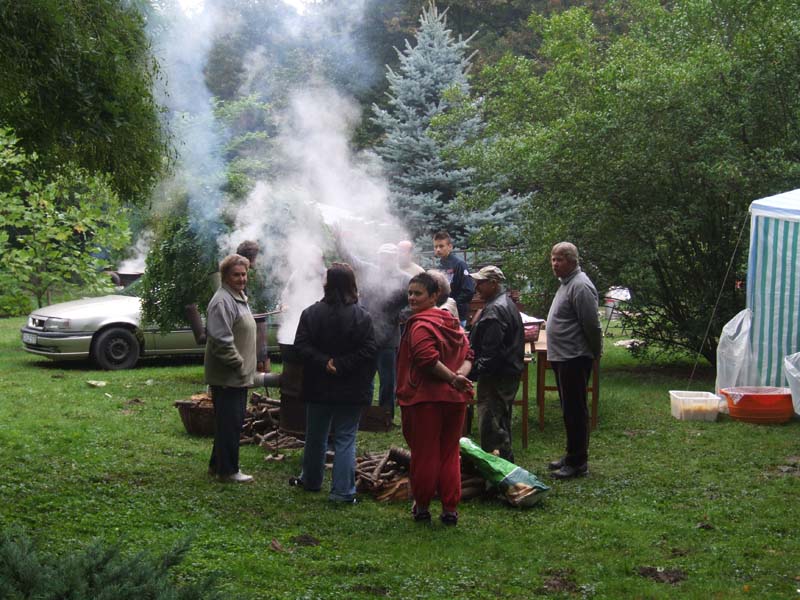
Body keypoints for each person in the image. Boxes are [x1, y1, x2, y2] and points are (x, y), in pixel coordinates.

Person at [292, 263, 377, 503]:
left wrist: (325, 362)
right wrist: (342, 364)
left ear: (327, 284)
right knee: (345, 438)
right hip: (351, 388)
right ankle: (342, 492)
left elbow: (301, 346)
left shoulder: (310, 313)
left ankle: (311, 480)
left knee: (315, 436)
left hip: (318, 386)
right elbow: (370, 349)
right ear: (352, 284)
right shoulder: (362, 316)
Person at [397, 272, 473, 525]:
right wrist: (459, 378)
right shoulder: (452, 322)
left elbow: (426, 359)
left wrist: (452, 379)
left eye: (418, 293)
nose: (412, 298)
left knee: (425, 453)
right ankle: (450, 509)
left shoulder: (420, 325)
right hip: (454, 399)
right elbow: (469, 355)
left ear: (434, 296)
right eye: (410, 293)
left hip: (425, 400)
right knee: (449, 452)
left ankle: (422, 507)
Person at [334, 233, 409, 419]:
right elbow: (350, 259)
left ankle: (386, 414)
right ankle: (364, 412)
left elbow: (414, 303)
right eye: (382, 256)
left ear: (394, 258)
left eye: (388, 257)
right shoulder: (370, 271)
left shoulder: (405, 279)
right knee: (364, 376)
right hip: (366, 334)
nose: (384, 260)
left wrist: (402, 316)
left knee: (388, 380)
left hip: (389, 337)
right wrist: (339, 240)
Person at [546, 242, 603, 480]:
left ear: (572, 261)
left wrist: (596, 352)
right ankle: (571, 455)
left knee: (576, 411)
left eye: (559, 259)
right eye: (552, 259)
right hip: (563, 356)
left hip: (574, 357)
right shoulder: (566, 283)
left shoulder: (580, 285)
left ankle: (578, 462)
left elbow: (592, 325)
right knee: (568, 409)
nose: (554, 264)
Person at [205, 254, 258, 483]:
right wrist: (238, 364)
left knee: (227, 422)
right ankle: (228, 471)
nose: (241, 278)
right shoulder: (222, 301)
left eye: (244, 274)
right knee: (231, 423)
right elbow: (221, 340)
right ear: (225, 276)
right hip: (228, 375)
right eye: (236, 275)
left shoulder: (237, 297)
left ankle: (216, 465)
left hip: (237, 375)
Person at [468, 266, 525, 462]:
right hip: (506, 373)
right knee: (500, 422)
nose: (476, 287)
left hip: (497, 377)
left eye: (480, 283)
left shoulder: (495, 309)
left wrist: (471, 372)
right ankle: (506, 467)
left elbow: (491, 354)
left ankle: (499, 471)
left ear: (494, 283)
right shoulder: (502, 303)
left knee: (491, 426)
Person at [433, 231, 475, 327]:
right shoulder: (440, 266)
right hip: (442, 313)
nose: (438, 249)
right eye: (435, 247)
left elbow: (469, 291)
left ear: (450, 247)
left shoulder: (459, 264)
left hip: (457, 315)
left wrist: (453, 304)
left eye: (441, 246)